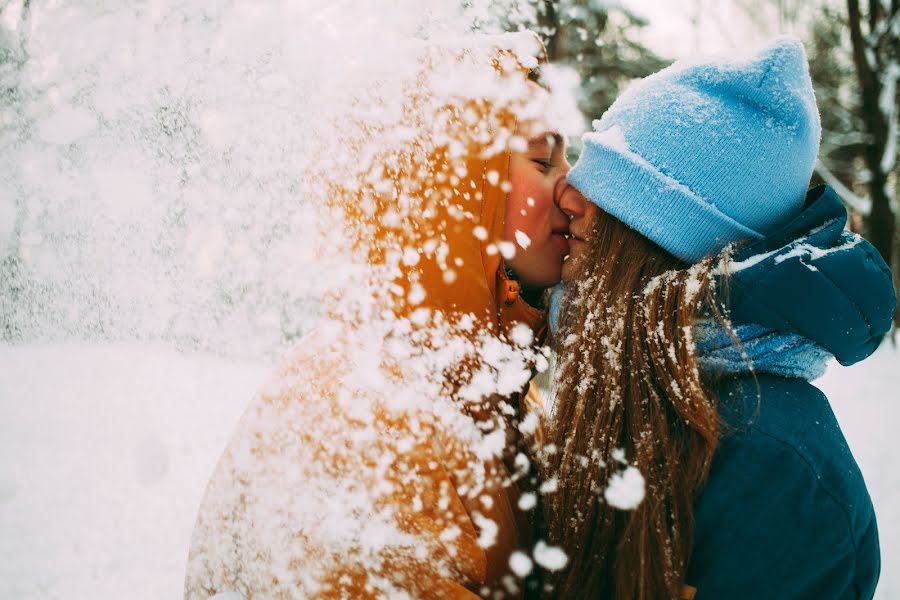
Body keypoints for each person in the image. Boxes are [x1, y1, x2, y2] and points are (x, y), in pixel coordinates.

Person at [184, 32, 574, 599]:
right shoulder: (361, 428)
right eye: (543, 160)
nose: (572, 187)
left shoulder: (483, 390)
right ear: (451, 193)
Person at [543, 38, 895, 599]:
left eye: (610, 187)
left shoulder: (769, 460)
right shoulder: (647, 385)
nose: (568, 194)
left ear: (667, 239)